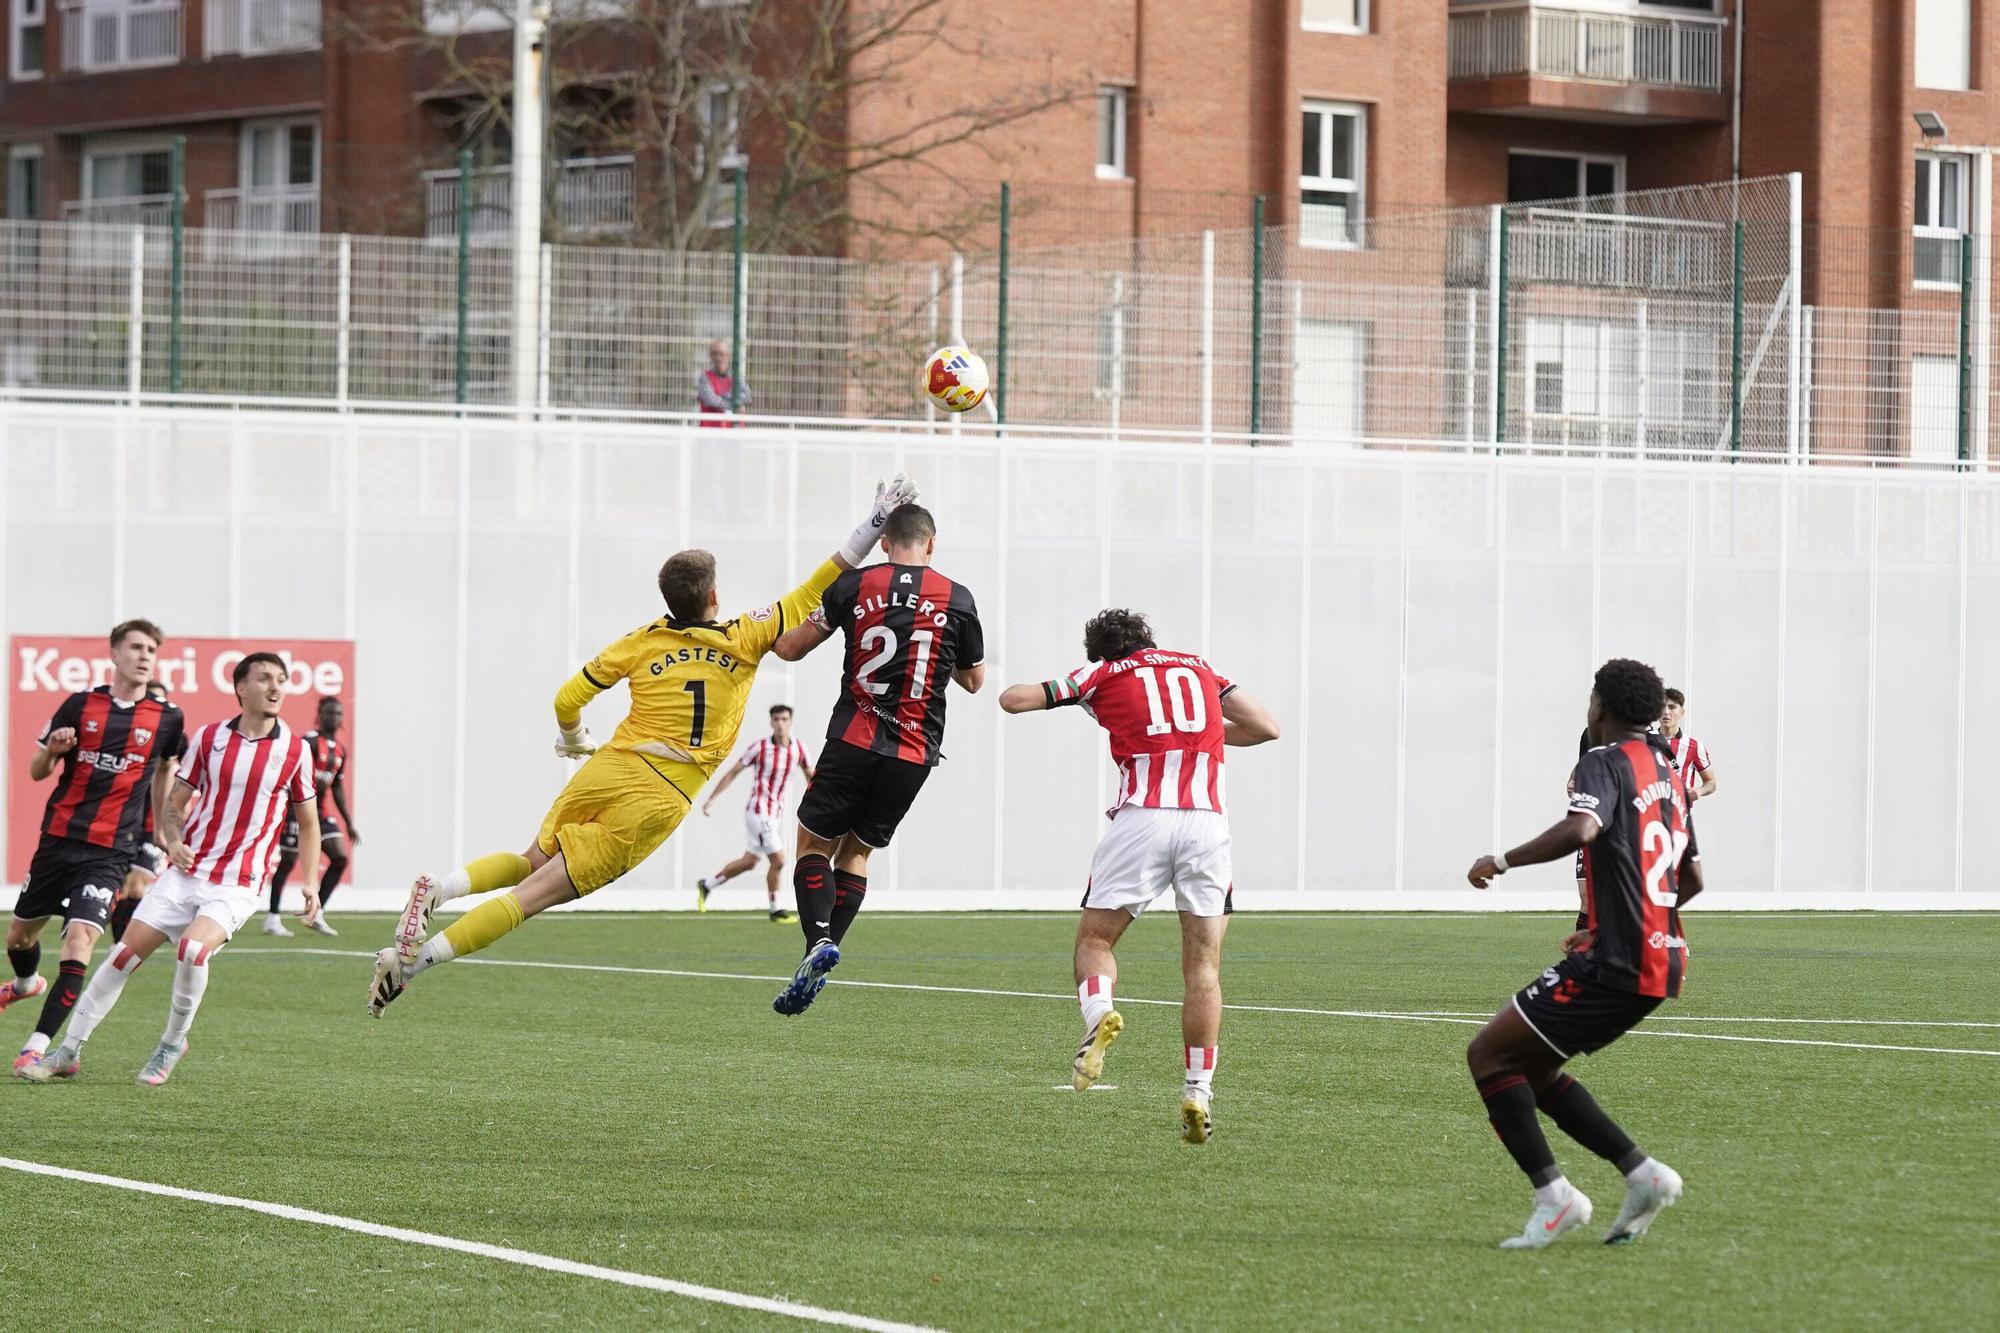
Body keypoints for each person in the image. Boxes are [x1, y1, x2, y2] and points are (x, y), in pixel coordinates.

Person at [367, 474, 921, 1016]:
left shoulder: (641, 641)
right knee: (533, 896)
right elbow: (818, 584)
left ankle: (439, 888)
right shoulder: (746, 635)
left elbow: (566, 697)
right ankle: (411, 965)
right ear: (713, 596)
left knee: (529, 859)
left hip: (609, 766)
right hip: (657, 797)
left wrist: (575, 739)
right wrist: (874, 524)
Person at [998, 609, 1279, 1145]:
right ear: (1148, 638)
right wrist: (1206, 736)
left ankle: (1099, 1015)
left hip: (1142, 819)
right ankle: (1198, 1090)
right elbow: (1267, 727)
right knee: (1203, 968)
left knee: (1096, 939)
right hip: (1206, 825)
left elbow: (1014, 698)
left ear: (1102, 650)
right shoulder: (1200, 669)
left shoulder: (1104, 672)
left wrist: (1082, 694)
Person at [1463, 658, 1700, 1250]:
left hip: (1619, 962)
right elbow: (1689, 878)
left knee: (1489, 1056)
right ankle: (1643, 1176)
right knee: (1535, 1069)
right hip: (1661, 959)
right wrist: (1606, 923)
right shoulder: (1669, 775)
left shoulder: (1603, 761)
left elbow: (1582, 830)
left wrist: (1502, 860)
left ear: (1600, 705)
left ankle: (1556, 1197)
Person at [19, 653, 320, 1087]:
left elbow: (308, 823)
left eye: (282, 679)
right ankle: (68, 1051)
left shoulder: (294, 751)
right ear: (240, 688)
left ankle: (172, 1042)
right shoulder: (209, 738)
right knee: (122, 955)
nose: (276, 687)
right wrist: (174, 841)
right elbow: (174, 803)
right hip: (185, 872)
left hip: (238, 882)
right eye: (264, 679)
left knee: (193, 950)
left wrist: (309, 885)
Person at [765, 502, 984, 1016]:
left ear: (884, 542)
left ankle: (818, 940)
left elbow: (791, 648)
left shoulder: (854, 585)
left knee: (813, 845)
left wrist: (765, 627)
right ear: (931, 544)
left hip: (854, 739)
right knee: (858, 855)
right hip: (914, 752)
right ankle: (816, 955)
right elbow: (975, 682)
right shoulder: (958, 597)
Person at [4, 620, 185, 1074]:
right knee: (20, 936)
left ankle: (37, 1047)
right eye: (137, 648)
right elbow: (36, 770)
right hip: (59, 839)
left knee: (80, 938)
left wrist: (164, 827)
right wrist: (54, 750)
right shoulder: (80, 705)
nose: (145, 656)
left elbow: (164, 772)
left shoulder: (167, 718)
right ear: (115, 654)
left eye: (152, 650)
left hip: (112, 850)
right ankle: (26, 983)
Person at [696, 704, 813, 921]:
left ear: (791, 722)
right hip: (758, 812)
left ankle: (707, 885)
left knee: (750, 862)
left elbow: (810, 777)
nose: (780, 724)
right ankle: (776, 909)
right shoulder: (759, 748)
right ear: (771, 722)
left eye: (784, 719)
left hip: (775, 815)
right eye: (776, 719)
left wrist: (821, 804)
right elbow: (733, 772)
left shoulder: (799, 749)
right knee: (779, 860)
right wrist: (712, 799)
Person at [265, 696, 356, 938]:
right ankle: (272, 918)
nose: (334, 718)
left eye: (338, 714)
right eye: (329, 713)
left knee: (340, 858)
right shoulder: (309, 742)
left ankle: (317, 913)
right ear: (320, 715)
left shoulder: (339, 751)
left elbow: (336, 787)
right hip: (298, 810)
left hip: (321, 813)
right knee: (288, 861)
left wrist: (349, 823)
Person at [110, 682, 177, 946]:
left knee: (137, 884)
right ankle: (117, 942)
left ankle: (120, 946)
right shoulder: (127, 739)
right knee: (123, 887)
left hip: (153, 827)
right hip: (123, 824)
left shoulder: (174, 740)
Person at [1658, 688, 1717, 803]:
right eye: (1661, 706)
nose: (1666, 712)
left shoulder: (1694, 746)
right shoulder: (1645, 742)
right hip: (1651, 816)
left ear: (1682, 712)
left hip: (1681, 815)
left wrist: (1699, 791)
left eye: (1672, 707)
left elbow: (1711, 783)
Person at [696, 339, 750, 426]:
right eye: (715, 354)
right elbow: (711, 401)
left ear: (728, 355)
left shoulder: (737, 377)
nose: (718, 357)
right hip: (710, 432)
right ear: (711, 356)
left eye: (722, 354)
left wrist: (721, 398)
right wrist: (734, 403)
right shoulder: (704, 378)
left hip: (734, 432)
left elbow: (746, 397)